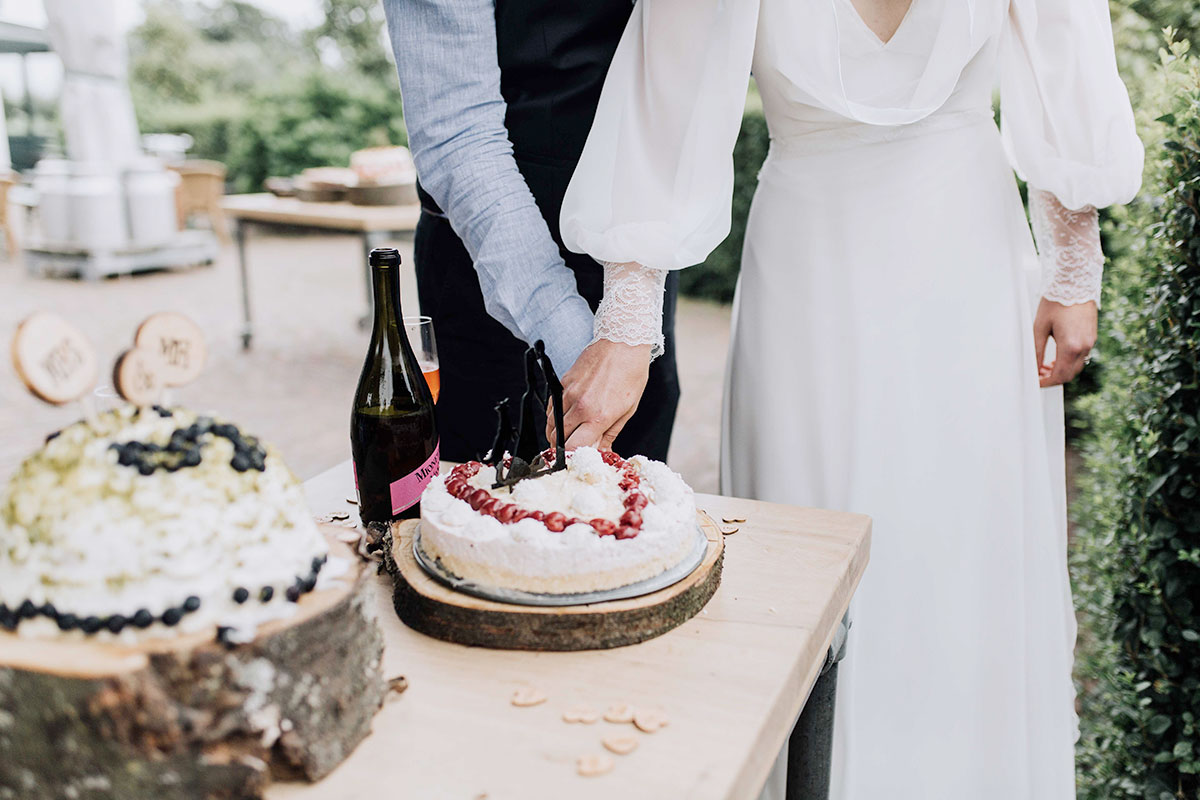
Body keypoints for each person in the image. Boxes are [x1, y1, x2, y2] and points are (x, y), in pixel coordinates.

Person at [556, 0, 1143, 797]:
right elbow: (669, 91)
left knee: (962, 558)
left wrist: (1074, 259)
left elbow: (1059, 40)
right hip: (809, 284)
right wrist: (628, 327)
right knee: (813, 567)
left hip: (969, 267)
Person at [380, 0, 680, 464]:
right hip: (488, 264)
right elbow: (456, 130)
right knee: (483, 506)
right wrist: (580, 345)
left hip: (644, 266)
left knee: (632, 511)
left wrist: (631, 320)